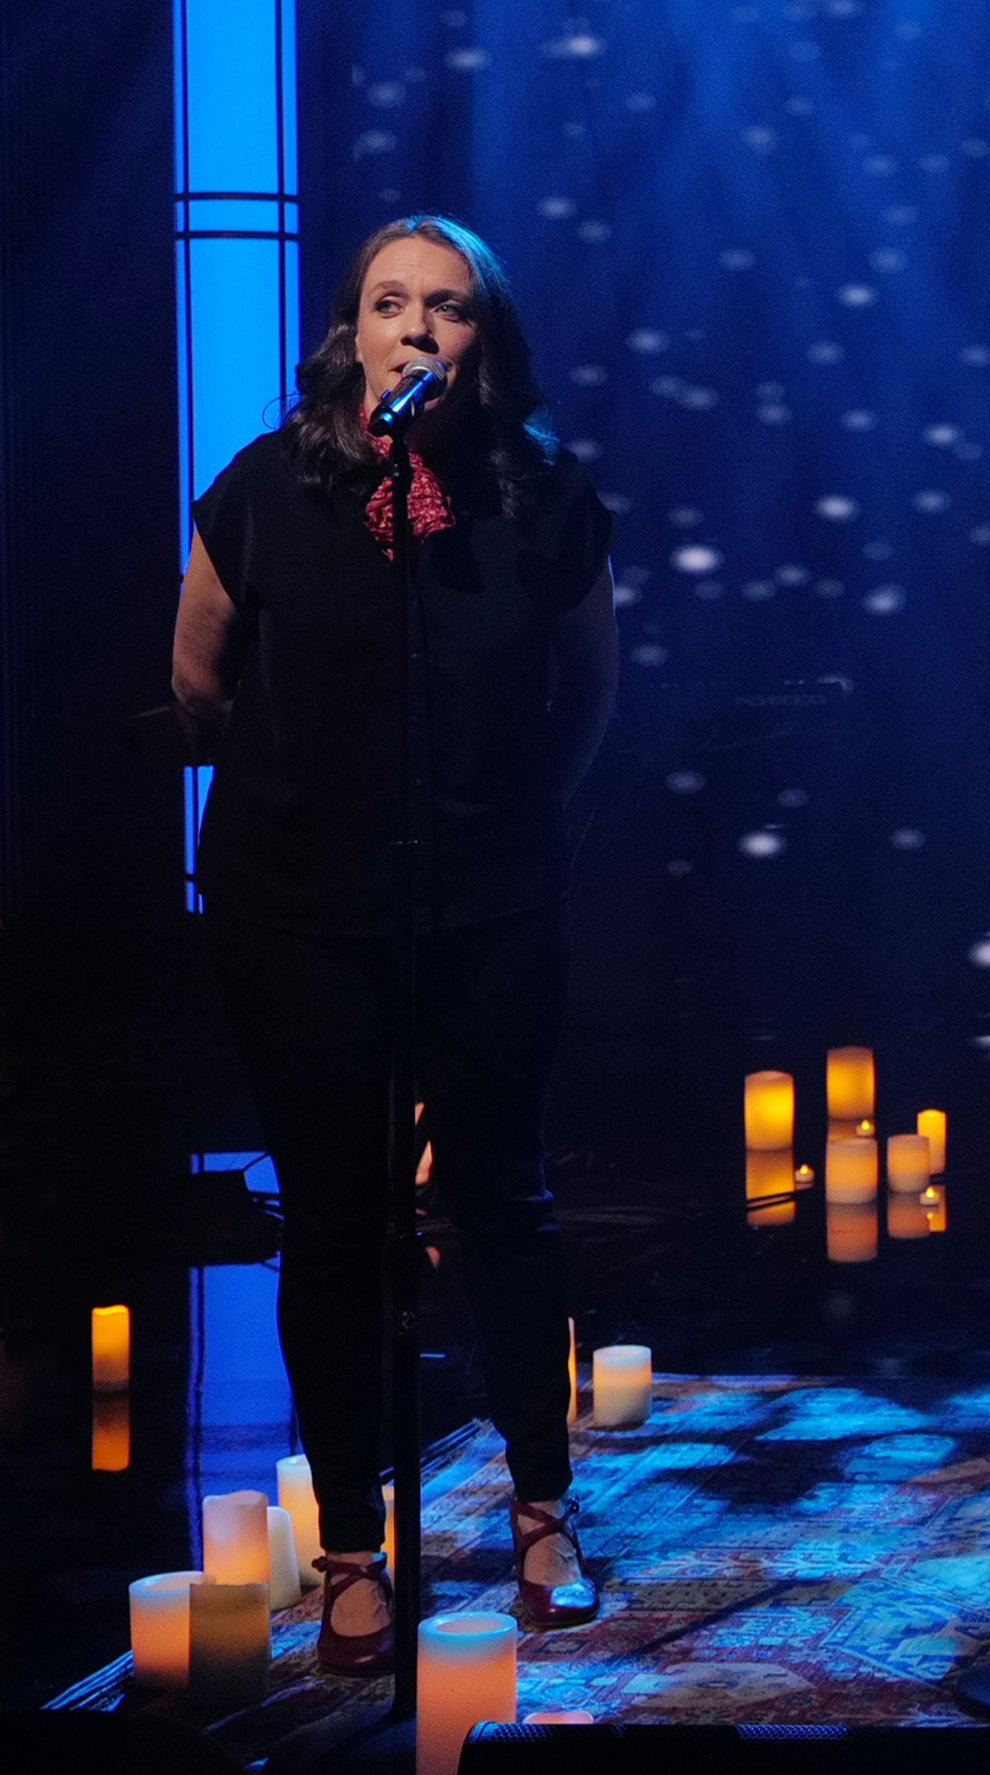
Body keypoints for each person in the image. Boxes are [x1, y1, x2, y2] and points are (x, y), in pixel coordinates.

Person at [169, 216, 618, 1671]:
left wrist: (522, 820)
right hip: (299, 906)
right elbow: (198, 678)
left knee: (503, 1196)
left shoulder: (541, 494)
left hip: (488, 897)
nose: (416, 327)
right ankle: (356, 1546)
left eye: (449, 307)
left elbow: (590, 688)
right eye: (388, 303)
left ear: (488, 340)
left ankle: (542, 1510)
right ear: (349, 334)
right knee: (335, 1214)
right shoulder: (265, 488)